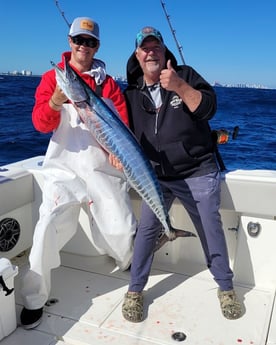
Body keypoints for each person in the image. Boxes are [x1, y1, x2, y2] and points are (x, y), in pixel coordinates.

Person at [20, 17, 137, 329]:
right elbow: (41, 124)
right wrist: (56, 102)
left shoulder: (109, 84)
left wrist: (117, 153)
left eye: (90, 42)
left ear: (97, 46)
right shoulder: (51, 79)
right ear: (69, 41)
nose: (83, 46)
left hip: (101, 169)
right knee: (45, 226)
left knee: (123, 230)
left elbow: (121, 128)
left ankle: (126, 262)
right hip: (64, 167)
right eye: (78, 40)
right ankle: (34, 298)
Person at [122, 26, 242, 322]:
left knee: (209, 223)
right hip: (156, 176)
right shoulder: (131, 94)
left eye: (156, 48)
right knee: (147, 229)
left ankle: (225, 287)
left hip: (196, 168)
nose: (151, 52)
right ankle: (135, 290)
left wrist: (178, 86)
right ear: (137, 55)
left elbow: (208, 109)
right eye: (145, 49)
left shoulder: (185, 75)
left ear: (164, 52)